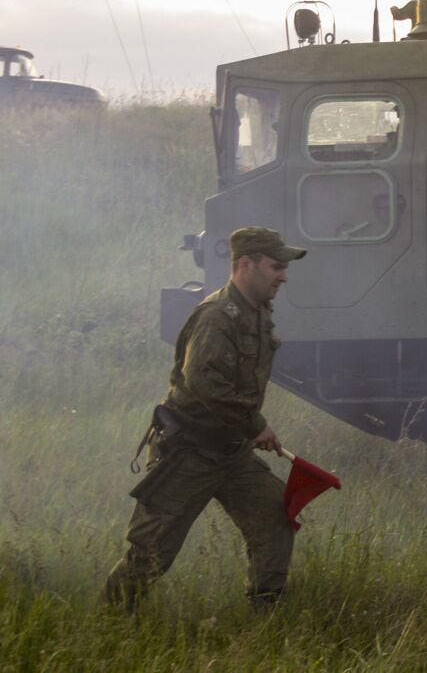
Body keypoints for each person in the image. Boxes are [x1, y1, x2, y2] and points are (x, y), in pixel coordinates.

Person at [102, 226, 307, 611]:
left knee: (275, 517)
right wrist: (255, 425)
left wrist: (247, 430)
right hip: (189, 453)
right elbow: (204, 382)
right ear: (245, 264)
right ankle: (108, 622)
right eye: (276, 266)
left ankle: (266, 617)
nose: (283, 276)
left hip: (231, 452)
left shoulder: (258, 310)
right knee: (151, 552)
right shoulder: (218, 316)